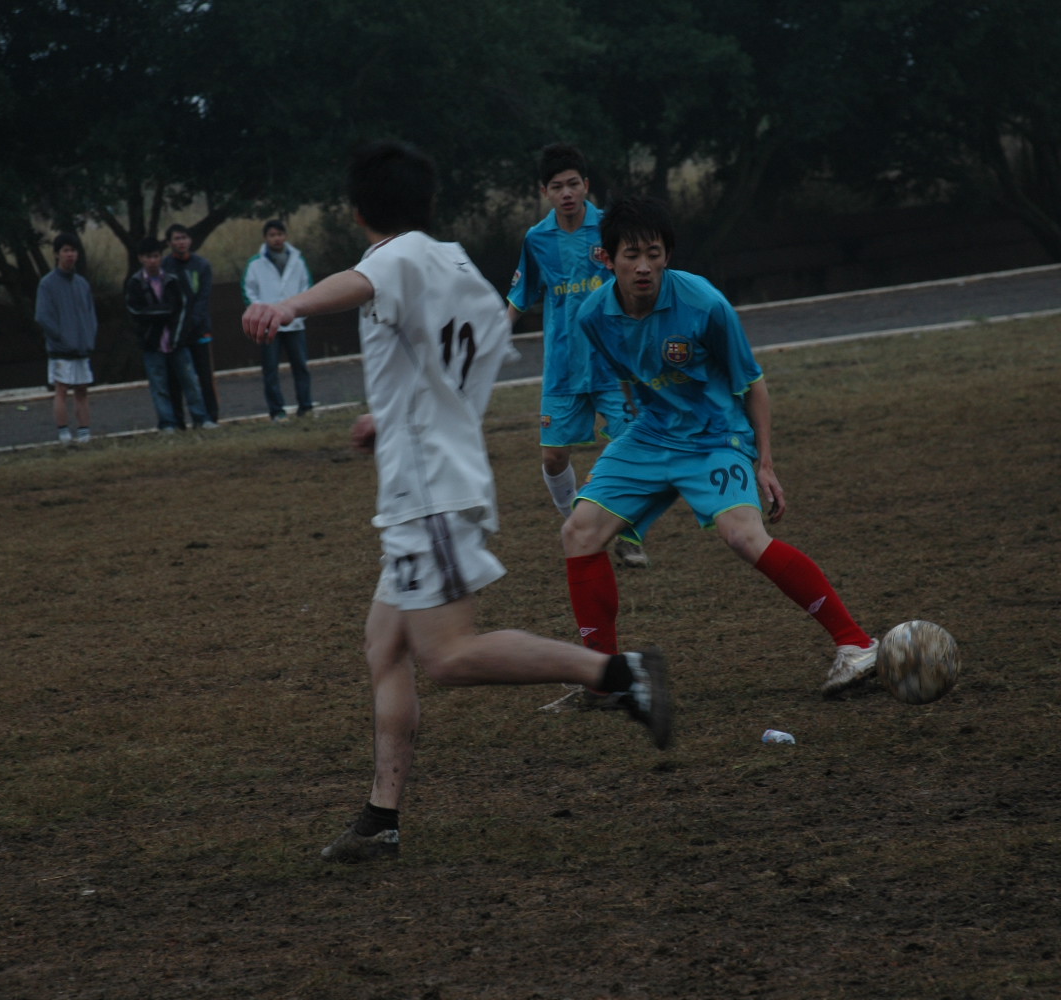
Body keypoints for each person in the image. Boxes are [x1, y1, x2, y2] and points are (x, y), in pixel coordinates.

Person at [241, 140, 673, 864]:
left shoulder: (398, 257)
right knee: (384, 645)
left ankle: (618, 674)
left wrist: (286, 304)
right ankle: (381, 818)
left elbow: (359, 281)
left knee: (445, 656)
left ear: (358, 211)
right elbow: (466, 357)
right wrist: (393, 412)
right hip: (434, 476)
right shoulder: (456, 264)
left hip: (428, 492)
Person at [561, 195, 880, 696]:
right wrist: (627, 433)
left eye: (654, 254)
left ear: (668, 254)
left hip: (716, 436)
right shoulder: (592, 316)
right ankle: (606, 680)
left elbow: (753, 384)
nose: (643, 267)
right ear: (607, 258)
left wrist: (764, 463)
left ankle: (856, 644)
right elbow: (627, 373)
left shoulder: (704, 304)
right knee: (579, 532)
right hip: (650, 434)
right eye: (631, 255)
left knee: (744, 537)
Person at [507, 143, 651, 570]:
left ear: (586, 185)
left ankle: (627, 533)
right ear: (545, 192)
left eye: (573, 184)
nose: (566, 193)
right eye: (557, 186)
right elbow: (520, 296)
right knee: (554, 457)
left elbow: (643, 279)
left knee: (631, 444)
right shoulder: (537, 239)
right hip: (563, 367)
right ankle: (578, 523)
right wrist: (492, 338)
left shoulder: (611, 229)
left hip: (614, 364)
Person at [125, 236, 216, 432]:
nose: (152, 261)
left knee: (190, 382)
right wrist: (164, 312)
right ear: (141, 258)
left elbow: (182, 308)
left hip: (176, 341)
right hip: (152, 344)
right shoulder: (135, 283)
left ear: (161, 257)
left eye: (156, 256)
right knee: (160, 386)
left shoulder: (172, 280)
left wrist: (177, 334)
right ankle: (167, 422)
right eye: (148, 257)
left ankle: (201, 418)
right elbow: (136, 312)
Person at [243, 220, 314, 421]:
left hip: (295, 324)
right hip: (268, 326)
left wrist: (298, 312)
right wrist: (262, 314)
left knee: (300, 367)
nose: (277, 239)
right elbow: (249, 292)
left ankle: (306, 407)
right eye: (272, 235)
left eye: (280, 234)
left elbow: (307, 288)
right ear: (265, 238)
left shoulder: (298, 261)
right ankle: (276, 410)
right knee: (270, 369)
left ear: (285, 236)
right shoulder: (255, 264)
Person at [35, 233, 97, 444]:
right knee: (61, 389)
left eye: (73, 250)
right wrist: (62, 338)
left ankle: (84, 432)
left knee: (82, 389)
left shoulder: (82, 284)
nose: (70, 255)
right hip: (61, 349)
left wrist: (89, 337)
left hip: (82, 347)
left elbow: (90, 314)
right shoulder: (47, 284)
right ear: (57, 254)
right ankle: (63, 433)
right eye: (66, 251)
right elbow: (43, 316)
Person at [163, 224, 219, 424]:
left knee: (204, 376)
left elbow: (203, 299)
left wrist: (192, 324)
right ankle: (178, 421)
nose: (181, 242)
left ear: (190, 240)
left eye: (184, 238)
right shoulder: (164, 266)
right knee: (175, 378)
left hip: (199, 329)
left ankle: (210, 417)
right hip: (174, 332)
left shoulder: (202, 265)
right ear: (169, 242)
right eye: (177, 238)